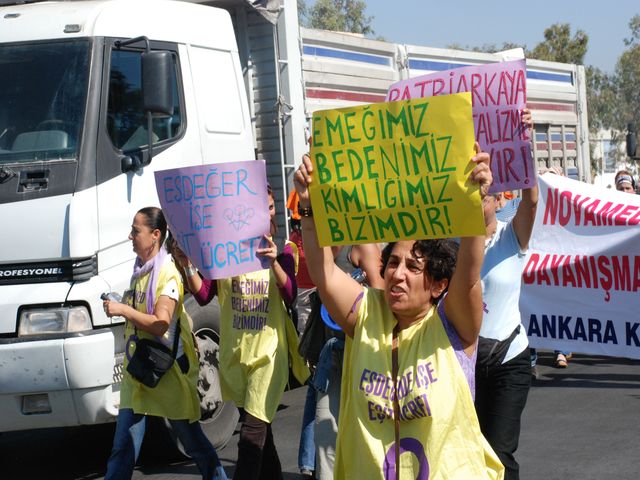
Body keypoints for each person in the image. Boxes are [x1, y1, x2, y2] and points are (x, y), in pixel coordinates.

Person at [294, 145, 504, 479]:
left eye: (413, 267)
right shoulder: (367, 313)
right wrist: (308, 208)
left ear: (438, 285)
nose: (397, 274)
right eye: (392, 262)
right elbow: (324, 273)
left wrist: (475, 207)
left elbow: (467, 276)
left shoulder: (451, 324)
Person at [174, 185, 309, 480]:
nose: (269, 213)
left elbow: (290, 294)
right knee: (261, 437)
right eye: (263, 207)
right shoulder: (225, 254)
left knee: (250, 437)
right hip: (235, 356)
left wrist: (273, 262)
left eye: (272, 207)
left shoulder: (285, 250)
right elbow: (203, 295)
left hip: (267, 356)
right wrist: (187, 265)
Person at [103, 207, 227, 480]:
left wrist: (123, 310)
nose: (130, 236)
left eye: (136, 231)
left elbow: (160, 323)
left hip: (167, 374)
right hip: (139, 372)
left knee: (193, 443)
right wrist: (122, 306)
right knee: (123, 448)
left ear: (155, 235)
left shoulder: (167, 273)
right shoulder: (140, 271)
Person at [474, 110, 535, 480]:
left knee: (499, 453)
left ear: (498, 201)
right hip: (465, 361)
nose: (480, 199)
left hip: (509, 359)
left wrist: (525, 143)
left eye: (487, 196)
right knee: (470, 450)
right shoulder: (452, 247)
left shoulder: (511, 237)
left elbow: (531, 202)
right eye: (474, 194)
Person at [313, 242, 385, 480]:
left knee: (365, 437)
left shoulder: (363, 247)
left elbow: (381, 298)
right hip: (331, 354)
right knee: (324, 434)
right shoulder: (325, 248)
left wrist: (352, 292)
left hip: (362, 355)